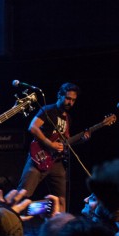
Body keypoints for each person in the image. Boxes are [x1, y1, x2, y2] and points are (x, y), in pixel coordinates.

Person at [17, 82, 89, 210]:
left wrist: (81, 140)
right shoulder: (48, 110)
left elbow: (64, 142)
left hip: (57, 161)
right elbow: (32, 127)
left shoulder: (68, 118)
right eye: (68, 98)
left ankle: (59, 225)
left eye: (73, 100)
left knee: (60, 198)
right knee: (23, 193)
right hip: (39, 157)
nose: (70, 103)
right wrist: (50, 144)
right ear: (59, 95)